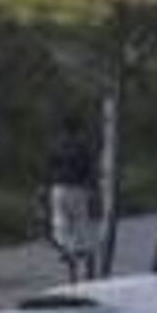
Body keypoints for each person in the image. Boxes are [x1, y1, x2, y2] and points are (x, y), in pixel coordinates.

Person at [45, 115, 96, 277]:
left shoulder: (56, 146)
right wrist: (92, 188)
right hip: (77, 189)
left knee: (61, 225)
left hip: (58, 188)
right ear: (78, 129)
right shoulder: (82, 147)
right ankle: (85, 258)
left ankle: (69, 252)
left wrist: (45, 187)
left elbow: (49, 168)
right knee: (81, 224)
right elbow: (89, 169)